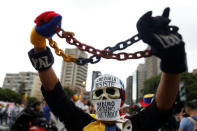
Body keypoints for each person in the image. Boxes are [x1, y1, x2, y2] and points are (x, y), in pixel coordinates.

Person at [28, 8, 187, 131]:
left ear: (122, 98)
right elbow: (55, 95)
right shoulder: (81, 123)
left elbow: (161, 106)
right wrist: (39, 45)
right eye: (99, 93)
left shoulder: (134, 125)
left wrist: (173, 62)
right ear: (93, 99)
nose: (104, 97)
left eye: (111, 91)